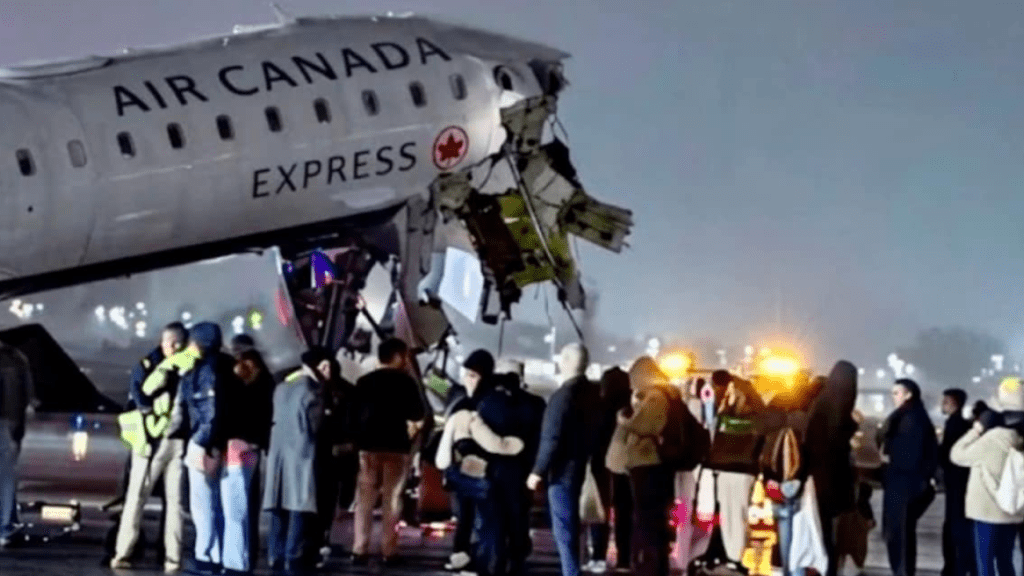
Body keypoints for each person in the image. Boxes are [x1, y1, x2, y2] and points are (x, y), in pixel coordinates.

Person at [110, 328, 193, 573]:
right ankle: (125, 552)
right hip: (153, 442)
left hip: (172, 442)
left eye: (178, 343)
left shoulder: (165, 365)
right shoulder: (153, 366)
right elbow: (140, 397)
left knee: (169, 502)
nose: (173, 348)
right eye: (170, 343)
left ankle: (170, 557)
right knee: (138, 498)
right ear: (162, 342)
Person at [437, 350, 525, 576]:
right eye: (467, 374)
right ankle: (466, 557)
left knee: (478, 520)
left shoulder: (483, 401)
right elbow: (432, 384)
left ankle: (472, 559)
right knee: (469, 518)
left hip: (476, 472)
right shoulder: (463, 397)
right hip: (469, 471)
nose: (469, 380)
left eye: (474, 375)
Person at [527, 343, 601, 576]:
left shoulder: (561, 397)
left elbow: (552, 437)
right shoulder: (594, 395)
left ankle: (571, 572)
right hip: (587, 467)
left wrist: (537, 470)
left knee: (564, 528)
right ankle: (581, 565)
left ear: (567, 362)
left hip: (563, 471)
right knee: (578, 524)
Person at [351, 338, 426, 566]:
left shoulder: (364, 382)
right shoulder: (407, 382)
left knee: (364, 500)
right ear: (398, 356)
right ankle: (389, 550)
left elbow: (352, 414)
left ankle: (359, 549)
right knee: (392, 501)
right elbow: (417, 413)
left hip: (368, 448)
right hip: (396, 447)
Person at [175, 322, 236, 575]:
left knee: (202, 505)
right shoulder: (226, 366)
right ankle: (215, 554)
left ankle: (205, 555)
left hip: (203, 442)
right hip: (215, 442)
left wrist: (203, 444)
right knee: (214, 504)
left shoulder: (205, 370)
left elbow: (209, 411)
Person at [262, 347, 329, 573]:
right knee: (299, 506)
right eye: (325, 366)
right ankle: (294, 554)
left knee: (278, 506)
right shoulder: (313, 390)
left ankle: (274, 554)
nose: (328, 371)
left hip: (278, 453)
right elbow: (315, 426)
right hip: (301, 453)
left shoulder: (281, 387)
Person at [951, 377, 1024, 576]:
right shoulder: (1019, 438)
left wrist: (976, 430)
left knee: (985, 562)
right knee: (1005, 561)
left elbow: (957, 455)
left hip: (986, 511)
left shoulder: (993, 438)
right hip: (1012, 511)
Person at [220, 348, 275, 575]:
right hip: (253, 448)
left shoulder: (238, 387)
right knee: (246, 502)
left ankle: (238, 558)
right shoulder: (267, 385)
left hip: (237, 447)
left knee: (236, 504)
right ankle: (246, 553)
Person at [803, 360, 859, 576]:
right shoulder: (839, 409)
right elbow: (837, 442)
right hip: (832, 480)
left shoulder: (821, 404)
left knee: (822, 529)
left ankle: (823, 568)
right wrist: (853, 425)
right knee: (831, 532)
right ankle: (828, 569)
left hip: (818, 477)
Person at [880, 378, 939, 576]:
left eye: (897, 393)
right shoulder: (909, 415)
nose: (893, 397)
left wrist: (888, 456)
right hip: (903, 485)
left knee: (900, 536)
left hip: (904, 487)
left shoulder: (911, 419)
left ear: (909, 394)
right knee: (901, 536)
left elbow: (908, 455)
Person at [587, 367, 632, 573]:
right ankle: (624, 558)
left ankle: (598, 555)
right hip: (626, 466)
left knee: (600, 511)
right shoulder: (631, 407)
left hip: (601, 463)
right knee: (625, 512)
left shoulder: (597, 406)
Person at [938, 388, 973, 576]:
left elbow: (948, 454)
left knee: (955, 525)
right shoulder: (962, 424)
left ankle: (954, 566)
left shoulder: (954, 425)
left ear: (954, 403)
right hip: (960, 482)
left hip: (956, 482)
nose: (942, 404)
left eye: (945, 401)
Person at [0, 342, 32, 548]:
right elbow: (25, 394)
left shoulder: (14, 358)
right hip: (7, 423)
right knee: (6, 477)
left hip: (6, 423)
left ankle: (7, 523)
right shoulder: (15, 358)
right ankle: (6, 525)